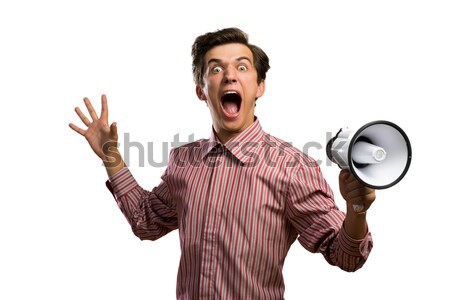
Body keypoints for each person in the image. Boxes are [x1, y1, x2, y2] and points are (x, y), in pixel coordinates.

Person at [69, 27, 375, 300]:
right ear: (202, 90)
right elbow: (146, 222)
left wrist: (357, 209)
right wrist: (112, 157)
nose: (230, 75)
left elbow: (347, 257)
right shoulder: (183, 162)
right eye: (216, 69)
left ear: (259, 87)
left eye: (242, 67)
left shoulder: (292, 167)